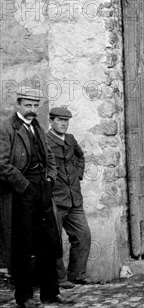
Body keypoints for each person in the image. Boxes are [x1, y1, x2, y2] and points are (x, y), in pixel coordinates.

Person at [0, 87, 73, 307]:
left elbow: (49, 158)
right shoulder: (7, 128)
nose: (32, 110)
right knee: (22, 246)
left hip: (42, 189)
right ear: (18, 105)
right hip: (20, 192)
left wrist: (50, 179)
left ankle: (51, 292)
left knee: (49, 243)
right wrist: (24, 186)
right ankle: (24, 297)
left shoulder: (38, 126)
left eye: (35, 105)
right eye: (28, 105)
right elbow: (2, 164)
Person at [47, 107, 92, 287]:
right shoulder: (44, 140)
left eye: (66, 121)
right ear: (51, 121)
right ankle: (60, 279)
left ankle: (77, 274)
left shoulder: (71, 139)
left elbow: (81, 157)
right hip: (55, 199)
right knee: (54, 240)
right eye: (59, 120)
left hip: (75, 198)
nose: (64, 123)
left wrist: (78, 175)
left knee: (83, 236)